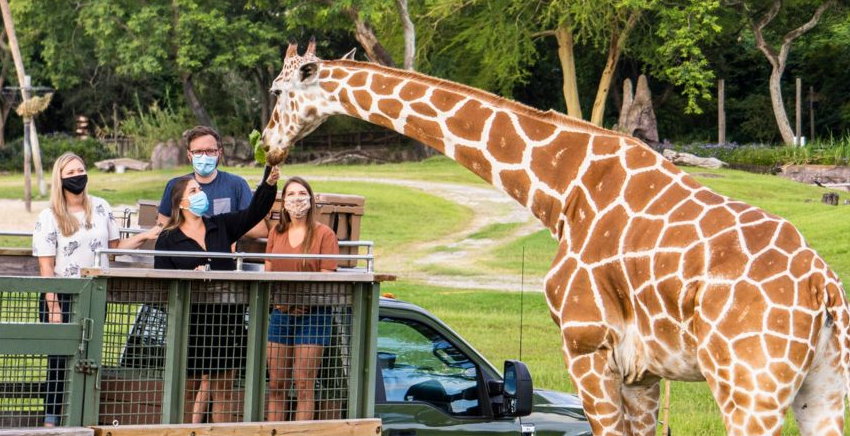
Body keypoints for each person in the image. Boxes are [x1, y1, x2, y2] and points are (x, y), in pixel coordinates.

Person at [32, 152, 160, 427]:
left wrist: (144, 236)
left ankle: (82, 416)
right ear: (61, 179)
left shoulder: (100, 207)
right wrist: (53, 307)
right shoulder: (49, 216)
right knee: (59, 360)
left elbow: (112, 250)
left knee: (88, 357)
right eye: (71, 172)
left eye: (81, 169)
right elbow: (46, 267)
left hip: (93, 294)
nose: (78, 175)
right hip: (61, 294)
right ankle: (52, 418)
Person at [154, 164, 279, 423]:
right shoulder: (167, 240)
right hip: (190, 326)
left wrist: (269, 182)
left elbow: (254, 212)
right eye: (194, 190)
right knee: (185, 392)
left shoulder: (220, 225)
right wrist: (190, 280)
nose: (201, 193)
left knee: (222, 391)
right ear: (181, 202)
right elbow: (161, 289)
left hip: (226, 322)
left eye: (200, 189)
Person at [265, 176, 339, 421]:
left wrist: (303, 303)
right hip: (280, 314)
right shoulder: (277, 232)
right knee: (276, 384)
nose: (297, 199)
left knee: (304, 384)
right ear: (283, 202)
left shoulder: (324, 234)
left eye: (301, 193)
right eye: (291, 194)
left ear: (310, 198)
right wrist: (279, 303)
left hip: (313, 315)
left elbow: (327, 275)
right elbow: (269, 270)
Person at [155, 125, 266, 239]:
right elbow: (162, 227)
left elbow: (259, 230)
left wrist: (223, 230)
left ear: (219, 153)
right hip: (186, 253)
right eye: (197, 152)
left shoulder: (237, 185)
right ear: (189, 155)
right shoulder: (175, 186)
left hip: (221, 253)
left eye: (210, 151)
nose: (204, 156)